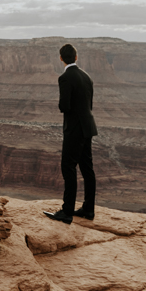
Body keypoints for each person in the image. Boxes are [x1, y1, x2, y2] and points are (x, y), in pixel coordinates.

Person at [45, 43, 97, 224]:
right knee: (87, 169)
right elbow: (89, 104)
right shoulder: (86, 76)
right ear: (76, 57)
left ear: (61, 58)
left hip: (74, 130)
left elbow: (64, 106)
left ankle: (66, 212)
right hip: (88, 127)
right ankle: (89, 210)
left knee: (68, 167)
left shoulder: (65, 77)